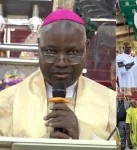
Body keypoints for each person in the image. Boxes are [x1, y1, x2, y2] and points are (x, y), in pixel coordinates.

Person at [0, 9, 116, 140]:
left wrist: (83, 134)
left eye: (72, 52)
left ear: (86, 48)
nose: (61, 63)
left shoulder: (112, 103)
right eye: (51, 51)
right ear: (39, 47)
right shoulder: (6, 103)